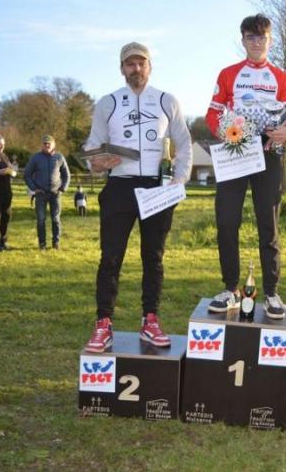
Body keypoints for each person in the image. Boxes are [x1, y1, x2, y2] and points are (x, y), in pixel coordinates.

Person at [83, 41, 192, 353]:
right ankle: (103, 323)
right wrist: (96, 162)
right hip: (119, 186)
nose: (136, 68)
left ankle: (150, 320)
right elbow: (92, 148)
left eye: (141, 63)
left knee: (153, 257)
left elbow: (184, 143)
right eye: (130, 64)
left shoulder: (167, 100)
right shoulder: (107, 103)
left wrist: (179, 181)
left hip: (157, 188)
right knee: (110, 257)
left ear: (150, 66)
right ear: (122, 68)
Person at [205, 13, 286, 319]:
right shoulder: (228, 74)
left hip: (268, 154)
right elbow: (212, 115)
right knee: (227, 221)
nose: (256, 43)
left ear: (270, 40)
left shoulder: (281, 77)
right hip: (236, 151)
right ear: (243, 40)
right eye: (250, 38)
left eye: (262, 38)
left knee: (268, 224)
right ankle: (231, 289)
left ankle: (271, 292)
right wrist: (228, 133)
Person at [24, 135, 70, 250]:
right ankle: (42, 244)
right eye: (45, 143)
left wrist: (63, 188)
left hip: (55, 194)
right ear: (42, 145)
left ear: (54, 144)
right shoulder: (35, 158)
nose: (47, 145)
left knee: (56, 219)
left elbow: (66, 175)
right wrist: (34, 188)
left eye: (49, 143)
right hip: (40, 194)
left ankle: (56, 243)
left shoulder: (59, 157)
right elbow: (27, 175)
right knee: (41, 220)